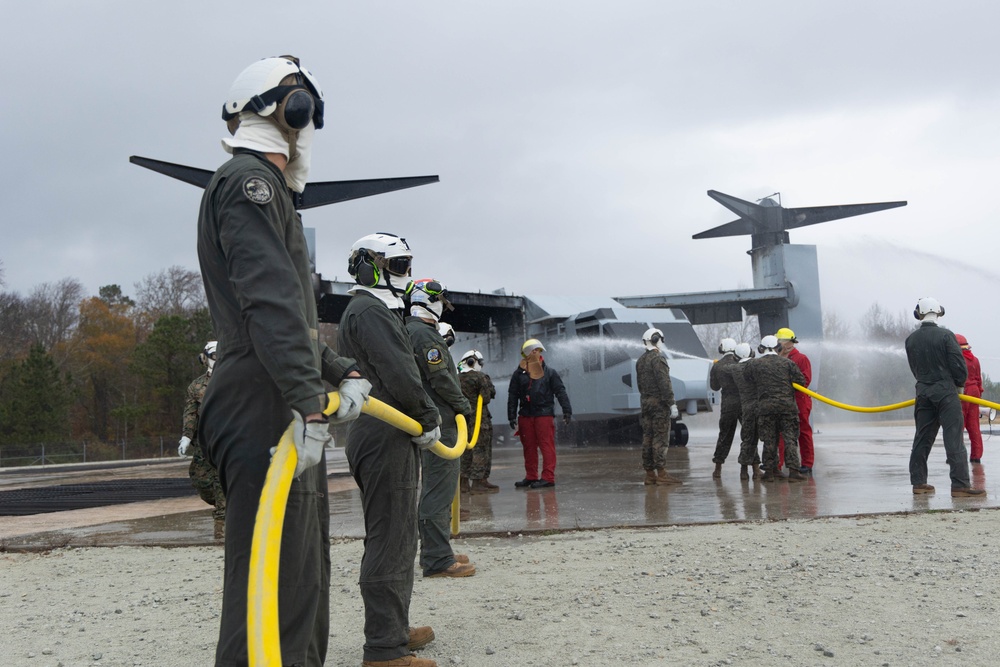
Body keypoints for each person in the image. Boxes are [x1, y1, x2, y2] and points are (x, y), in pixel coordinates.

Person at [197, 56, 373, 667]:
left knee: (297, 571)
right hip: (261, 397)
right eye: (306, 113)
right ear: (288, 111)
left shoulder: (267, 192)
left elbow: (281, 319)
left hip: (276, 388)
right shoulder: (250, 184)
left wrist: (334, 369)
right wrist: (305, 396)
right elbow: (267, 308)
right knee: (270, 579)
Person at [339, 233, 443, 667]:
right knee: (392, 538)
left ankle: (393, 630)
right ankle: (384, 649)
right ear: (372, 266)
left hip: (384, 431)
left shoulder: (371, 310)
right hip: (385, 432)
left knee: (396, 534)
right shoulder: (370, 310)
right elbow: (399, 371)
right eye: (398, 265)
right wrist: (428, 415)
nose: (405, 274)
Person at [404, 278, 476, 579]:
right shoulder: (425, 336)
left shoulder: (412, 331)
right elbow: (442, 379)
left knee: (436, 488)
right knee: (439, 489)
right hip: (441, 420)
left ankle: (438, 549)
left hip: (430, 417)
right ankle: (436, 559)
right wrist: (463, 406)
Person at [906, 298, 984, 497]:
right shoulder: (946, 336)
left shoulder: (911, 339)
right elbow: (959, 368)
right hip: (946, 393)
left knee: (922, 438)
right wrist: (958, 386)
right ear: (938, 312)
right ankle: (960, 485)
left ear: (920, 313)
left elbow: (914, 369)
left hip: (923, 392)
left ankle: (919, 483)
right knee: (953, 437)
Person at [508, 338, 572, 489]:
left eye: (538, 350)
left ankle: (548, 477)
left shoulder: (550, 373)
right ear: (526, 354)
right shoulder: (518, 374)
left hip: (544, 415)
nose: (535, 353)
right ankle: (531, 477)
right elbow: (513, 395)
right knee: (528, 447)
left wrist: (567, 410)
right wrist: (511, 415)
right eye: (532, 351)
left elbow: (560, 392)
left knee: (546, 446)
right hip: (525, 415)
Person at [745, 335, 808, 482]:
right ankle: (793, 472)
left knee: (769, 440)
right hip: (787, 408)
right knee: (790, 439)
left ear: (761, 348)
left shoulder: (754, 364)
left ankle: (769, 472)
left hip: (766, 408)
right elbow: (801, 381)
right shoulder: (788, 363)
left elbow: (747, 380)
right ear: (778, 348)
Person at [178, 341, 226, 523]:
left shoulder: (234, 382)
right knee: (200, 479)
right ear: (205, 358)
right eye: (214, 356)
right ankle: (227, 503)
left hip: (228, 439)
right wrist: (186, 437)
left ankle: (222, 524)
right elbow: (190, 413)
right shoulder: (196, 386)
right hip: (204, 442)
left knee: (221, 479)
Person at [636, 328, 682, 485]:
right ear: (655, 339)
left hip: (645, 403)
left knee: (647, 438)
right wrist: (672, 403)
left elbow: (640, 385)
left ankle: (649, 474)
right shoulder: (658, 359)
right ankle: (662, 473)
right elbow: (664, 383)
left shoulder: (641, 361)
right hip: (659, 405)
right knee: (660, 438)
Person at [458, 350, 498, 494]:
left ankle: (463, 483)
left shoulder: (456, 377)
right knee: (481, 451)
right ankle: (478, 482)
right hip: (479, 420)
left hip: (463, 420)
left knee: (465, 451)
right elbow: (487, 396)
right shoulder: (481, 377)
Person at [776, 327, 814, 474]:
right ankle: (779, 464)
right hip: (783, 400)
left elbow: (805, 380)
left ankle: (807, 464)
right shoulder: (777, 358)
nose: (778, 344)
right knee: (780, 432)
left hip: (799, 400)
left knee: (803, 431)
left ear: (789, 343)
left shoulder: (801, 359)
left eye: (780, 341)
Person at [729, 342, 764, 480]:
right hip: (760, 406)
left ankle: (744, 471)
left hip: (746, 408)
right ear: (752, 353)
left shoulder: (734, 369)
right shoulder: (757, 365)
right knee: (767, 438)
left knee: (748, 440)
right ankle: (758, 470)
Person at [710, 337, 741, 478]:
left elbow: (714, 387)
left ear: (721, 348)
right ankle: (753, 468)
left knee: (725, 435)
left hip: (728, 403)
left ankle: (718, 467)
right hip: (742, 402)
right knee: (749, 435)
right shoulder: (740, 363)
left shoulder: (717, 366)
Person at [956, 334, 985, 463]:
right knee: (974, 425)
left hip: (962, 393)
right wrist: (979, 393)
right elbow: (979, 379)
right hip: (974, 393)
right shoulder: (975, 360)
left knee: (958, 425)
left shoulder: (956, 359)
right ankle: (976, 456)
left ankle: (957, 453)